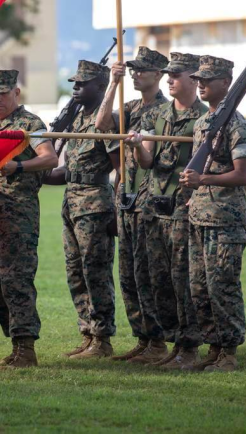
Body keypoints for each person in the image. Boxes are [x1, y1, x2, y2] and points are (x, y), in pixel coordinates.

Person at [124, 53, 207, 369]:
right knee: (158, 282)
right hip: (154, 208)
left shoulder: (203, 118)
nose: (170, 80)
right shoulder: (156, 114)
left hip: (182, 209)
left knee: (183, 281)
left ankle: (189, 348)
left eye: (176, 75)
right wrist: (135, 145)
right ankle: (170, 344)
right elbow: (147, 161)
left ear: (192, 79)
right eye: (168, 75)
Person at [180, 55, 246, 371]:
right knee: (199, 288)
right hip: (199, 215)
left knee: (222, 286)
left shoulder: (238, 126)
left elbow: (242, 175)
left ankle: (229, 352)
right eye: (198, 79)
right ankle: (213, 348)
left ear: (227, 83)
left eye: (207, 80)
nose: (200, 84)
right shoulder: (202, 123)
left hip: (226, 219)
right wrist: (191, 187)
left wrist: (203, 180)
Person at [95, 47, 169, 361]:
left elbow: (150, 161)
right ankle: (142, 337)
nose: (136, 74)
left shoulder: (165, 111)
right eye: (133, 70)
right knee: (128, 274)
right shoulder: (130, 107)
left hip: (150, 200)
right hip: (125, 197)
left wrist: (139, 146)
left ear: (159, 75)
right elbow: (101, 125)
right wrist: (112, 83)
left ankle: (157, 341)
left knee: (150, 272)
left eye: (143, 70)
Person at [44, 60, 120, 359]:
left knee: (95, 272)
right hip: (71, 203)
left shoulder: (106, 123)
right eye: (74, 83)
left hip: (95, 206)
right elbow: (66, 171)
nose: (75, 88)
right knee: (75, 272)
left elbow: (120, 170)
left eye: (82, 83)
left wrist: (116, 210)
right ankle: (88, 334)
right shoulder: (75, 121)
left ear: (101, 87)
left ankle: (103, 339)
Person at [0, 70, 58, 369]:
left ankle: (27, 348)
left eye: (2, 93)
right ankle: (16, 345)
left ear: (17, 93)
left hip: (19, 213)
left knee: (17, 281)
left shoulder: (31, 124)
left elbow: (50, 158)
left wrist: (19, 166)